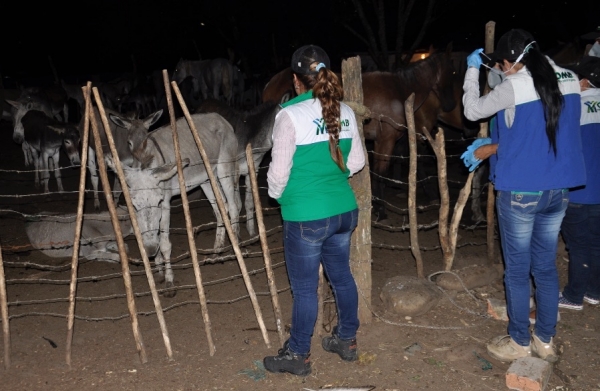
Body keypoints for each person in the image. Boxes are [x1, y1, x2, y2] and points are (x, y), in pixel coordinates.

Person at [460, 29, 585, 363]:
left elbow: (473, 111)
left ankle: (518, 340)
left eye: (502, 65)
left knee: (517, 270)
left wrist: (473, 71)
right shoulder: (570, 78)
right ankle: (545, 340)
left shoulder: (514, 86)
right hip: (557, 191)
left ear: (510, 62)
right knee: (544, 267)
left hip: (521, 193)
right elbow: (551, 130)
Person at [263, 44, 366, 376]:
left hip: (307, 215)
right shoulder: (344, 111)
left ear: (296, 80)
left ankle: (297, 354)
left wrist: (280, 196)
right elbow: (357, 163)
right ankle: (346, 339)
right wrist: (331, 180)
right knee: (342, 278)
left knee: (306, 289)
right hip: (343, 212)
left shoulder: (289, 115)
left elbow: (278, 174)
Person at [558, 56, 600, 311]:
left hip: (579, 190)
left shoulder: (574, 107)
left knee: (578, 245)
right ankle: (594, 291)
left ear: (583, 82)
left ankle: (574, 296)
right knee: (596, 243)